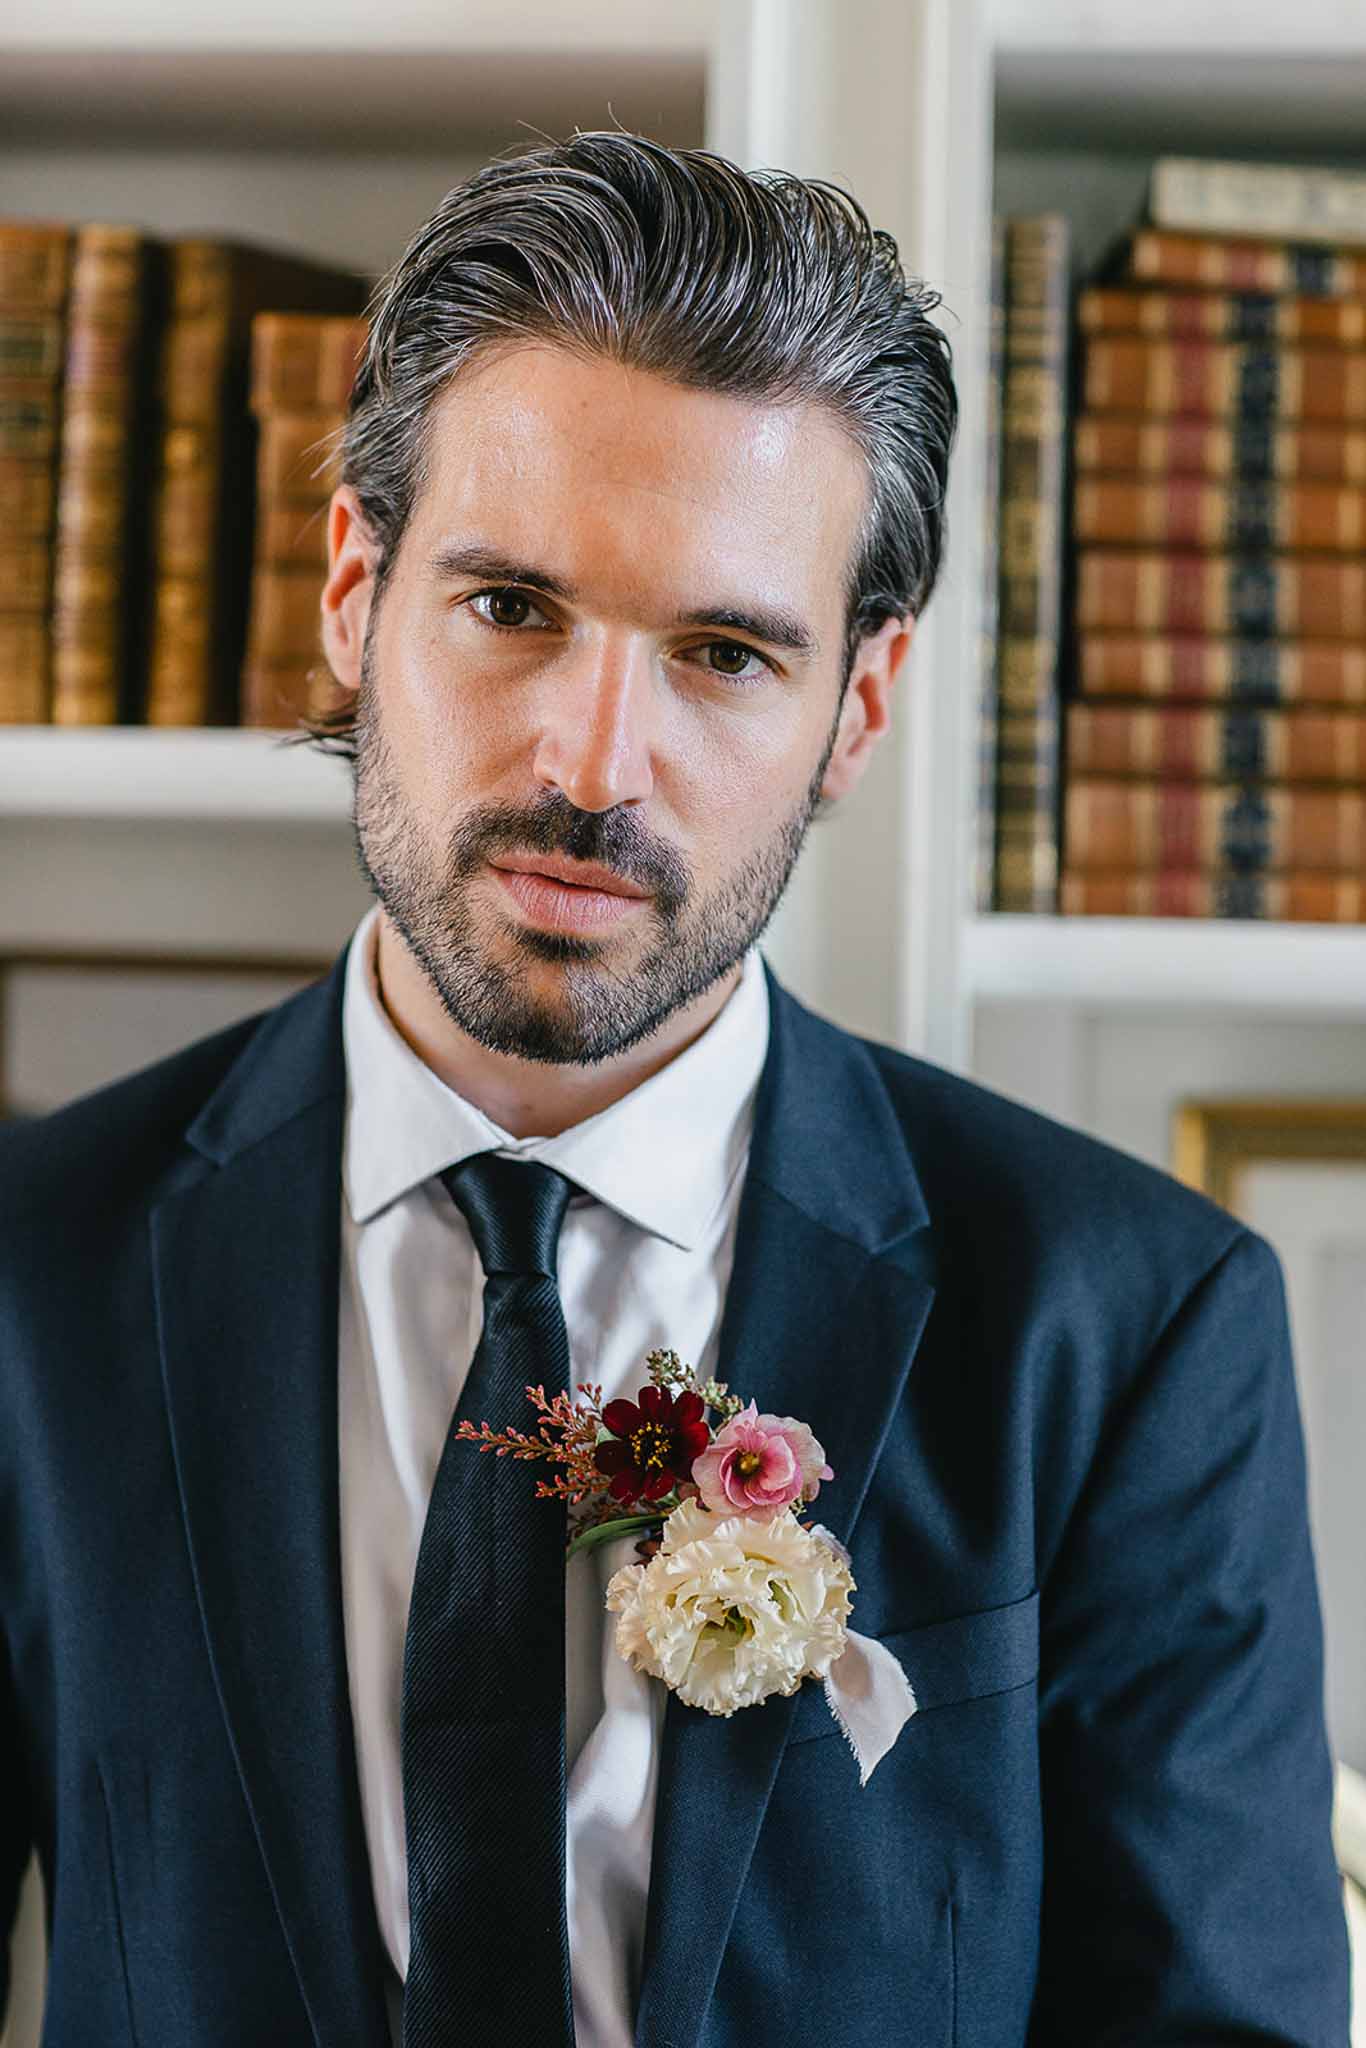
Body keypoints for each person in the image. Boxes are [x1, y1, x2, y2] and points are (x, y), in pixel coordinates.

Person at [0, 132, 1350, 2048]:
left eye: (721, 654)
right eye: (508, 607)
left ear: (853, 713)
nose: (594, 758)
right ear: (353, 590)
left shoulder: (1131, 1327)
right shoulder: (29, 1270)